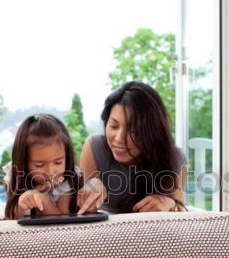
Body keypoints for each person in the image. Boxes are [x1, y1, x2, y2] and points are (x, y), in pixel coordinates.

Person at [77, 81, 188, 214]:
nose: (119, 138)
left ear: (152, 131)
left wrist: (170, 204)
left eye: (133, 130)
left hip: (152, 232)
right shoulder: (95, 147)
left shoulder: (174, 157)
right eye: (113, 126)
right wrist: (91, 184)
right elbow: (80, 213)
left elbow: (181, 215)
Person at [1, 114, 82, 219]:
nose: (50, 171)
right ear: (24, 163)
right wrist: (21, 205)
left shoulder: (67, 179)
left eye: (58, 162)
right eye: (39, 165)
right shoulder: (15, 174)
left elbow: (62, 220)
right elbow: (10, 217)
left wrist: (42, 197)